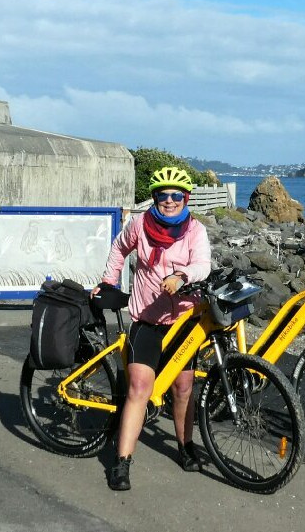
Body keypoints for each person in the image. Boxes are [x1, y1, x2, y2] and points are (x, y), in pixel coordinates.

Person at [97, 166, 212, 491]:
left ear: (186, 198)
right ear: (156, 197)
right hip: (146, 321)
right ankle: (122, 462)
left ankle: (185, 446)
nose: (170, 201)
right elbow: (119, 248)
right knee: (138, 389)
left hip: (182, 325)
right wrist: (109, 280)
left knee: (183, 388)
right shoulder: (139, 225)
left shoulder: (195, 231)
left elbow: (203, 264)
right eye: (163, 195)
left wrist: (182, 277)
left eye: (177, 195)